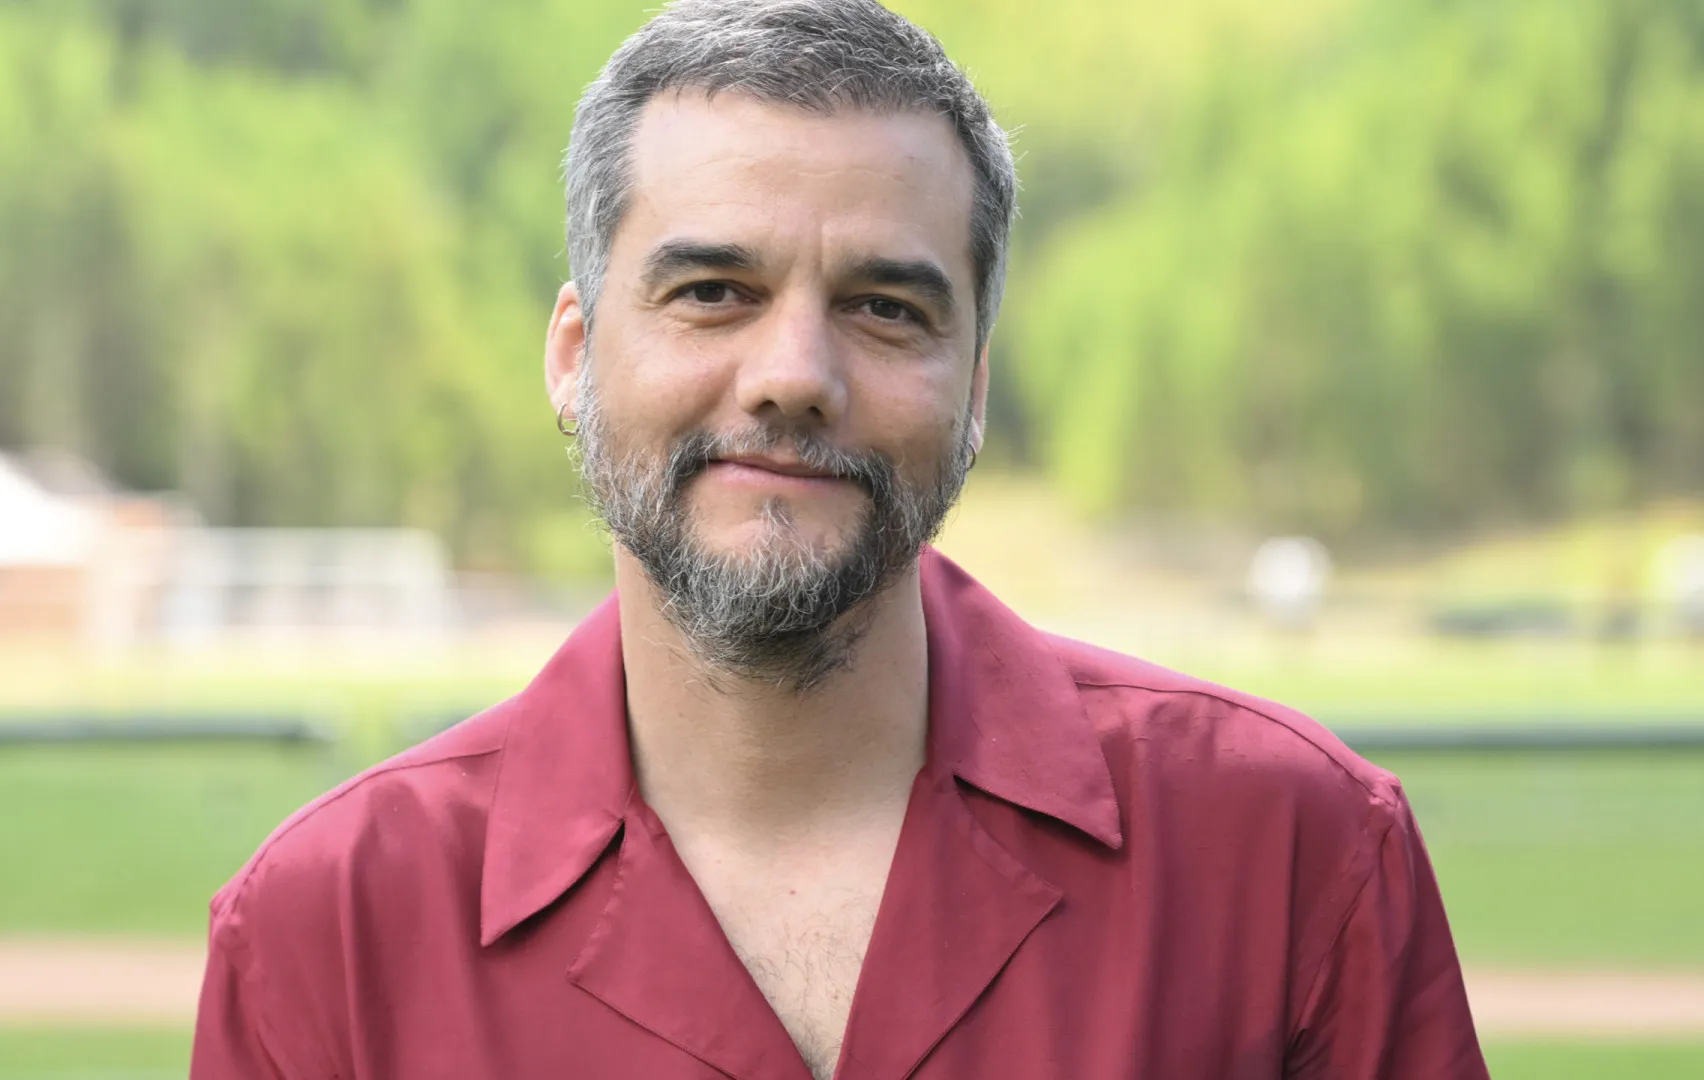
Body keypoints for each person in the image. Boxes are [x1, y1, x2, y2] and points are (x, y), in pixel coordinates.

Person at [189, 2, 1488, 1077]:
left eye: (883, 308)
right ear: (575, 358)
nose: (794, 376)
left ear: (974, 387)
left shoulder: (1290, 854)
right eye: (714, 291)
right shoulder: (328, 933)